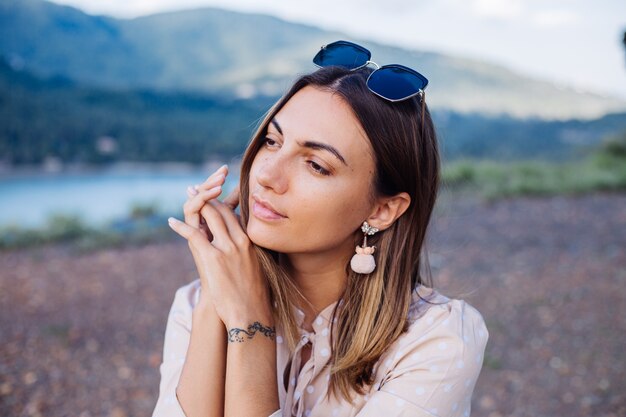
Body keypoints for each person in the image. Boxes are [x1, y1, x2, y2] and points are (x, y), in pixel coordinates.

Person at [152, 40, 489, 417]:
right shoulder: (197, 302)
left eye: (316, 165)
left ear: (383, 209)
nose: (266, 175)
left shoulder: (437, 340)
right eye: (272, 141)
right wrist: (218, 293)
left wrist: (251, 327)